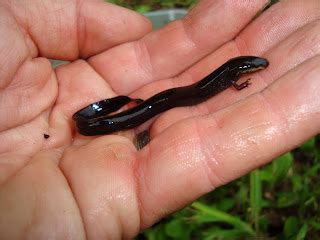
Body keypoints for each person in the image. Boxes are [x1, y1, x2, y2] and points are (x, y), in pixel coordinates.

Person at [0, 0, 319, 239]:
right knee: (146, 108)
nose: (257, 69)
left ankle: (115, 113)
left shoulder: (235, 69)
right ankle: (103, 117)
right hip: (173, 97)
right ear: (245, 67)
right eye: (255, 67)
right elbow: (233, 76)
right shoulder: (235, 71)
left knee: (151, 106)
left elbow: (232, 75)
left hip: (176, 96)